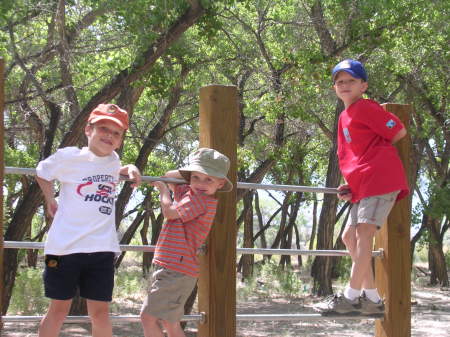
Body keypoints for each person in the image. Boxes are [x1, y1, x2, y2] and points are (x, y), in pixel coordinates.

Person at [36, 103, 141, 337]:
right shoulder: (69, 157)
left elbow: (115, 170)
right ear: (88, 130)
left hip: (101, 250)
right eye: (103, 128)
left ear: (121, 140)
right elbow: (43, 172)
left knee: (101, 312)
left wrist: (131, 167)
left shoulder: (113, 160)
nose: (109, 136)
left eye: (116, 133)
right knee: (58, 310)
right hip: (63, 250)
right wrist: (49, 199)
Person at [314, 59, 409, 316]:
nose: (344, 85)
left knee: (364, 233)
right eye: (339, 81)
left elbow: (398, 131)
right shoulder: (345, 115)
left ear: (363, 85)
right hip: (363, 183)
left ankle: (350, 297)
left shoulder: (366, 107)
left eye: (351, 81)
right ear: (335, 87)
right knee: (348, 236)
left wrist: (372, 165)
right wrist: (352, 183)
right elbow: (357, 153)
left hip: (380, 178)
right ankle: (373, 299)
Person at [140, 147, 232, 337]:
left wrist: (163, 190)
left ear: (221, 183)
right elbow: (170, 175)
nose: (200, 183)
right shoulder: (190, 194)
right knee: (170, 322)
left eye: (209, 179)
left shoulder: (200, 200)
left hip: (176, 269)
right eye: (196, 177)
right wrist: (190, 171)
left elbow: (170, 213)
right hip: (175, 267)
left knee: (148, 318)